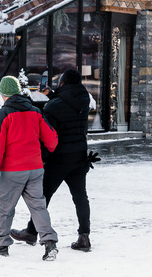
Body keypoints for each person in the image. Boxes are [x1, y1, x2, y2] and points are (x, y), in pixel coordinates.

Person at [11, 67, 97, 252]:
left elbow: (47, 135)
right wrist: (51, 94)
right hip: (80, 157)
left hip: (58, 158)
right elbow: (67, 103)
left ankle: (32, 232)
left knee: (42, 195)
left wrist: (41, 158)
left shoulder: (53, 106)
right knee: (81, 197)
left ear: (63, 83)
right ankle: (84, 237)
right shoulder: (84, 100)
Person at [0, 76, 59, 260]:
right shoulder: (35, 111)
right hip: (35, 168)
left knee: (5, 209)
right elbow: (52, 140)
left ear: (3, 94)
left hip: (12, 171)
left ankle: (0, 244)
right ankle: (50, 243)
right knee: (38, 207)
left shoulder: (3, 115)